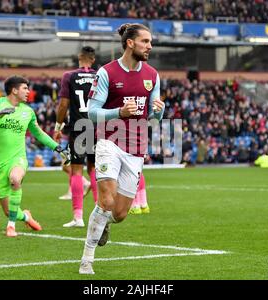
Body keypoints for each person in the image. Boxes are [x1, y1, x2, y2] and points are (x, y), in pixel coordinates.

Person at [79, 23, 165, 274]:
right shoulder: (107, 73)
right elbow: (92, 112)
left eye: (150, 42)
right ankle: (87, 259)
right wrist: (118, 112)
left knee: (119, 214)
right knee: (106, 198)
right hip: (109, 142)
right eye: (145, 41)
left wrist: (159, 112)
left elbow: (153, 117)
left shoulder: (153, 75)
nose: (150, 46)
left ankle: (104, 221)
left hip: (136, 147)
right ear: (130, 43)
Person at [0, 76, 71, 237]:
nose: (28, 92)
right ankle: (25, 216)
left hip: (18, 158)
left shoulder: (28, 111)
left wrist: (58, 148)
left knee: (15, 179)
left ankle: (11, 226)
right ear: (14, 90)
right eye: (25, 88)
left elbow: (38, 134)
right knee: (8, 210)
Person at [54, 46, 99, 228]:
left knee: (77, 171)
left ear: (79, 58)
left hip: (79, 127)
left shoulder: (69, 76)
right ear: (93, 59)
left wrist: (58, 126)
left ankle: (78, 217)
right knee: (95, 169)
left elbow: (64, 104)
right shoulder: (101, 75)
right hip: (97, 127)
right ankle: (99, 214)